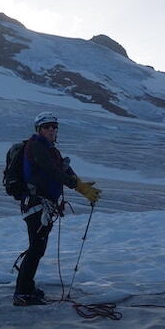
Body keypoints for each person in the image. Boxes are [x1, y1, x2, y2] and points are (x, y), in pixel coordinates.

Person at [13, 112, 101, 306]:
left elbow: (63, 169)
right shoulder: (36, 146)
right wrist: (78, 186)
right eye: (47, 127)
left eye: (54, 127)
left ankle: (26, 288)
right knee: (36, 249)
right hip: (36, 205)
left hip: (42, 205)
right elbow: (53, 171)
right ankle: (22, 293)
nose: (51, 130)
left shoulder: (50, 149)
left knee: (37, 248)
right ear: (39, 129)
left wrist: (81, 186)